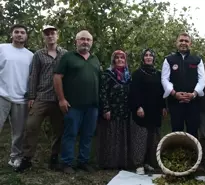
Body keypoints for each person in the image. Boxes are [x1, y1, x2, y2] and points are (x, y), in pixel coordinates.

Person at [15, 25, 67, 172]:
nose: (50, 36)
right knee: (31, 126)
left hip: (58, 99)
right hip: (42, 97)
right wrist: (31, 96)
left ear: (57, 36)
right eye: (47, 34)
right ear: (44, 37)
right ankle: (26, 158)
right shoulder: (38, 54)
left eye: (53, 34)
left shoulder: (65, 54)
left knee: (58, 129)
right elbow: (33, 76)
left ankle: (54, 158)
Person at [53, 30, 101, 174]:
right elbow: (57, 78)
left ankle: (83, 161)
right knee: (70, 134)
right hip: (73, 105)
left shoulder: (95, 59)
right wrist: (61, 99)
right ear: (76, 41)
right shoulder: (68, 57)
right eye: (82, 39)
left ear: (91, 43)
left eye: (88, 40)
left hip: (92, 106)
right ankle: (67, 163)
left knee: (88, 134)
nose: (85, 42)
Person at [0, 24, 34, 168]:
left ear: (26, 36)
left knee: (19, 132)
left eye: (22, 32)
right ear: (11, 35)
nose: (19, 34)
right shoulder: (2, 48)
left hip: (21, 98)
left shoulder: (31, 55)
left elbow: (32, 77)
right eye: (16, 32)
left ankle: (15, 158)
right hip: (2, 95)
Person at [161, 32, 205, 138]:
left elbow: (202, 79)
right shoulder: (169, 60)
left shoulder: (197, 60)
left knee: (193, 132)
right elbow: (164, 79)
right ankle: (177, 154)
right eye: (181, 40)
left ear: (190, 44)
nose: (183, 43)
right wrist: (174, 93)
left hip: (193, 103)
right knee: (176, 132)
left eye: (186, 41)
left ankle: (194, 154)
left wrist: (193, 94)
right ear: (176, 43)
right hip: (175, 102)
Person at [130, 49, 167, 174]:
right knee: (140, 138)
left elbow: (162, 92)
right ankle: (138, 164)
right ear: (143, 58)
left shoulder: (158, 74)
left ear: (154, 58)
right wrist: (138, 107)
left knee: (153, 139)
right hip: (142, 111)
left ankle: (148, 162)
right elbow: (134, 92)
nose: (148, 57)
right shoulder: (137, 74)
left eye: (151, 55)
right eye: (146, 55)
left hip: (155, 111)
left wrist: (163, 107)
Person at [96, 50, 132, 170]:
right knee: (111, 136)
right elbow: (103, 93)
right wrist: (106, 108)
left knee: (122, 135)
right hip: (111, 111)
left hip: (124, 111)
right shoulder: (107, 74)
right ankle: (109, 163)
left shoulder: (128, 75)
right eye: (117, 58)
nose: (120, 60)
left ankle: (122, 162)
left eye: (122, 58)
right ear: (113, 60)